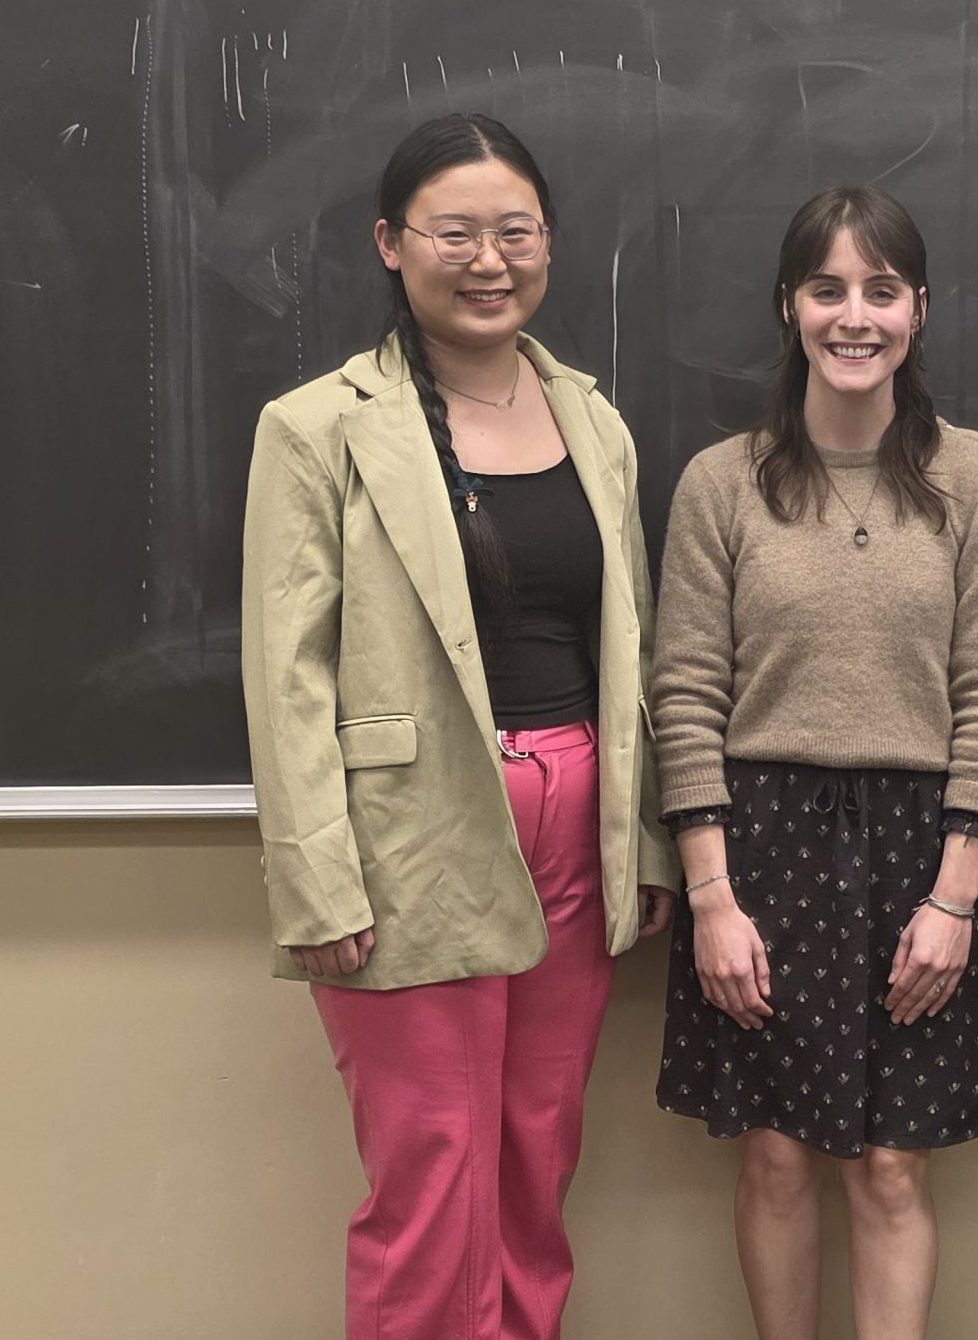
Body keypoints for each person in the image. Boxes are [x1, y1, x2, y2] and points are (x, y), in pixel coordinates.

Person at [240, 112, 678, 1340]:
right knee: (433, 1174)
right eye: (454, 232)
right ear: (391, 243)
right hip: (410, 834)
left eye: (516, 231)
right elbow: (287, 681)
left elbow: (630, 644)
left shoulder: (593, 417)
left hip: (576, 830)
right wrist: (315, 881)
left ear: (547, 243)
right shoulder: (318, 426)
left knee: (536, 1162)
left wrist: (638, 837)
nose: (490, 259)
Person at [650, 184, 978, 1340]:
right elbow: (686, 694)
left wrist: (954, 898)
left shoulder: (975, 479)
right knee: (772, 1158)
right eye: (827, 289)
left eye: (879, 289)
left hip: (924, 848)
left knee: (890, 1168)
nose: (852, 315)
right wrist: (709, 894)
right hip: (756, 841)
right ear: (788, 306)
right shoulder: (723, 481)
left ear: (919, 307)